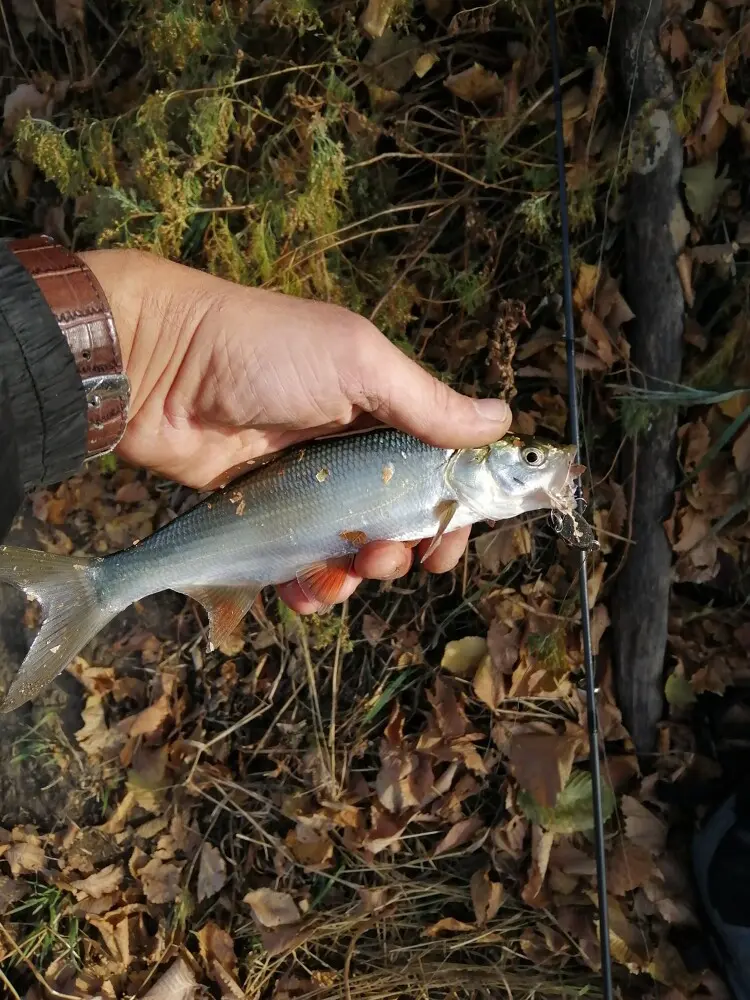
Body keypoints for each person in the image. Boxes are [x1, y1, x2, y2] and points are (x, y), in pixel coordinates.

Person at [0, 234, 512, 613]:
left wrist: (156, 347)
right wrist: (158, 347)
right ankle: (101, 588)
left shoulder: (451, 497)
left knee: (341, 573)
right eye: (529, 459)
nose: (533, 469)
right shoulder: (441, 459)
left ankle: (110, 587)